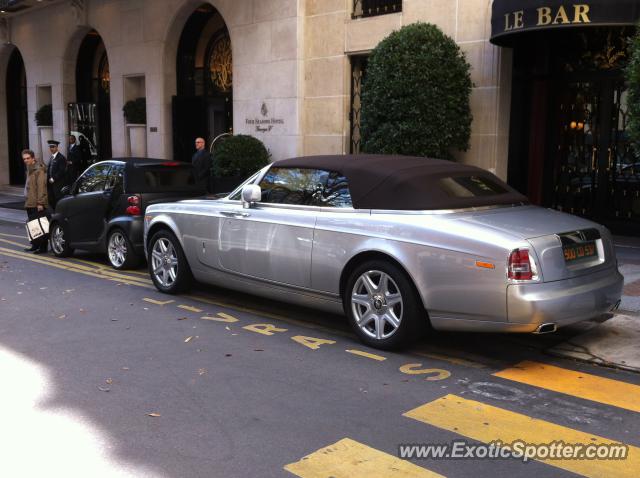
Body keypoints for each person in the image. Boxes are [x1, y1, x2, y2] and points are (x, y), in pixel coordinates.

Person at [22, 149, 49, 254]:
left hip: (36, 202)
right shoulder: (30, 169)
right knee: (33, 225)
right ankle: (35, 245)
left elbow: (41, 187)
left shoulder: (39, 170)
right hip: (30, 201)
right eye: (24, 159)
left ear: (33, 158)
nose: (26, 160)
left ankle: (43, 247)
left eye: (28, 158)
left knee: (41, 224)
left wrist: (40, 203)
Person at [46, 140, 66, 208]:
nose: (51, 148)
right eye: (50, 147)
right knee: (51, 200)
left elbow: (62, 171)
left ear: (57, 147)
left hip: (58, 184)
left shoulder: (61, 158)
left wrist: (53, 178)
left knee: (58, 200)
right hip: (51, 184)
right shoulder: (52, 157)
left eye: (53, 147)